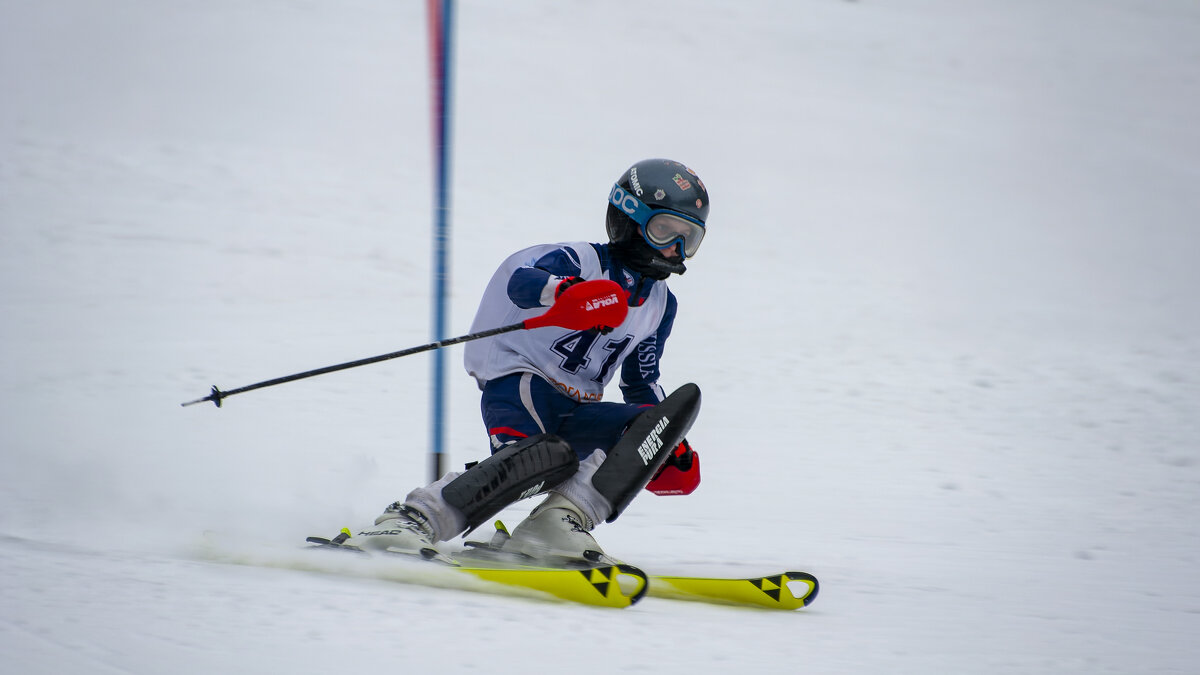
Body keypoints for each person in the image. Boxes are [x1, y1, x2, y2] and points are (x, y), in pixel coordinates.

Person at [341, 158, 709, 561]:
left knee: (646, 432)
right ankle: (415, 518)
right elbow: (521, 280)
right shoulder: (580, 260)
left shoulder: (660, 304)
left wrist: (664, 436)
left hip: (579, 404)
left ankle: (556, 524)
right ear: (628, 220)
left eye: (687, 239)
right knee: (540, 459)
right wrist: (566, 293)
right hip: (521, 379)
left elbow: (641, 381)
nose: (674, 250)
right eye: (663, 232)